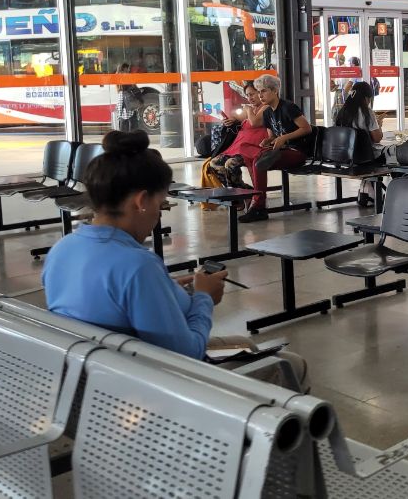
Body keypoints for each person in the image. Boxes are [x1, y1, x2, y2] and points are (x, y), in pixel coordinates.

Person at [42, 130, 307, 387]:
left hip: (99, 374)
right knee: (291, 365)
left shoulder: (62, 250)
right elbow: (186, 354)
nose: (159, 214)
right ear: (142, 201)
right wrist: (204, 298)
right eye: (160, 204)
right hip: (152, 387)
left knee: (247, 345)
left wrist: (165, 288)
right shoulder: (138, 266)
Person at [243, 74, 313, 223]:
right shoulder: (268, 113)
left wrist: (284, 138)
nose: (260, 95)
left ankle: (258, 206)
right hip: (282, 151)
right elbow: (273, 136)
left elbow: (306, 128)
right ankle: (258, 205)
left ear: (275, 91)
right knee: (258, 161)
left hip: (298, 151)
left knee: (260, 161)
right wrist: (268, 140)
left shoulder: (288, 107)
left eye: (264, 91)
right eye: (259, 91)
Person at [206, 81, 266, 190]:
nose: (249, 98)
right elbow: (236, 118)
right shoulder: (252, 108)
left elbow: (254, 122)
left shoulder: (265, 107)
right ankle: (240, 191)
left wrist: (248, 109)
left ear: (260, 92)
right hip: (240, 146)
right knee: (213, 163)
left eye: (252, 94)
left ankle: (239, 194)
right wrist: (230, 120)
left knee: (230, 164)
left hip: (254, 147)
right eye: (247, 95)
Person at [334, 81, 383, 207]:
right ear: (366, 98)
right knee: (386, 155)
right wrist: (379, 125)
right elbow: (377, 138)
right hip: (363, 157)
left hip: (344, 156)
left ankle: (366, 190)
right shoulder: (367, 112)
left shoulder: (342, 112)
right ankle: (371, 191)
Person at [113, 62, 142, 132]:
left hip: (127, 112)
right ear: (121, 70)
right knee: (132, 130)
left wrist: (118, 115)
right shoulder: (125, 80)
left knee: (125, 132)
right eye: (126, 70)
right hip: (130, 111)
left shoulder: (121, 83)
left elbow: (120, 102)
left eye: (127, 70)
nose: (127, 72)